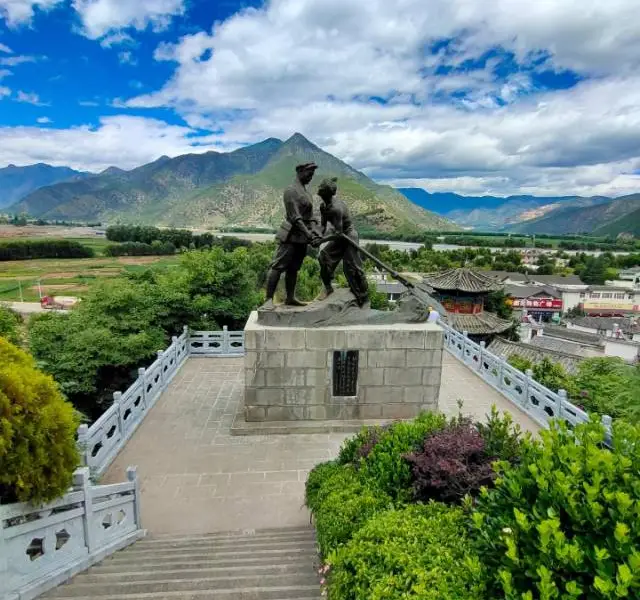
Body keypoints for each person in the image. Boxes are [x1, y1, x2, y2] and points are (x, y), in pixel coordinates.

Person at [263, 162, 322, 307]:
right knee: (278, 266)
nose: (311, 177)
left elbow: (311, 216)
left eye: (313, 175)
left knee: (294, 268)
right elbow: (295, 217)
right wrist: (309, 234)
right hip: (290, 236)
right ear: (300, 172)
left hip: (302, 238)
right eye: (309, 174)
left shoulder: (306, 192)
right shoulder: (291, 191)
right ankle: (268, 300)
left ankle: (290, 297)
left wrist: (314, 231)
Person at [316, 177, 369, 307]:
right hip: (340, 236)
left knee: (352, 268)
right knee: (323, 257)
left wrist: (322, 240)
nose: (319, 192)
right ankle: (328, 287)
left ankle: (363, 297)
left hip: (349, 236)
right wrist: (317, 235)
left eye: (321, 190)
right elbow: (323, 226)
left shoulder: (336, 208)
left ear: (326, 193)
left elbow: (338, 233)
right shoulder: (323, 206)